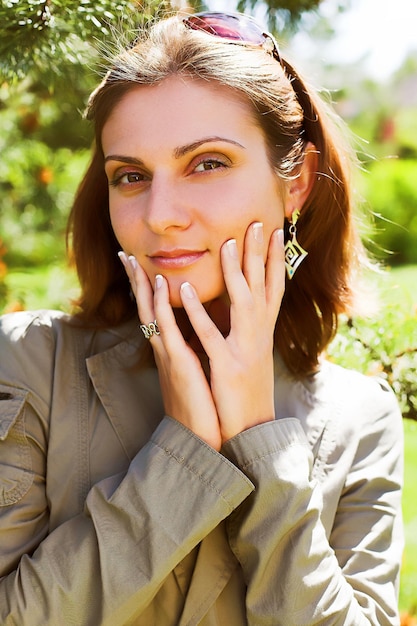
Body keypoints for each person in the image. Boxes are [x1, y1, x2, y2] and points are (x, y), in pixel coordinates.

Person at [0, 11, 403, 626]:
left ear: (294, 182)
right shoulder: (29, 364)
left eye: (208, 162)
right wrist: (182, 451)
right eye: (130, 176)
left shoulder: (360, 419)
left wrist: (258, 440)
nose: (160, 215)